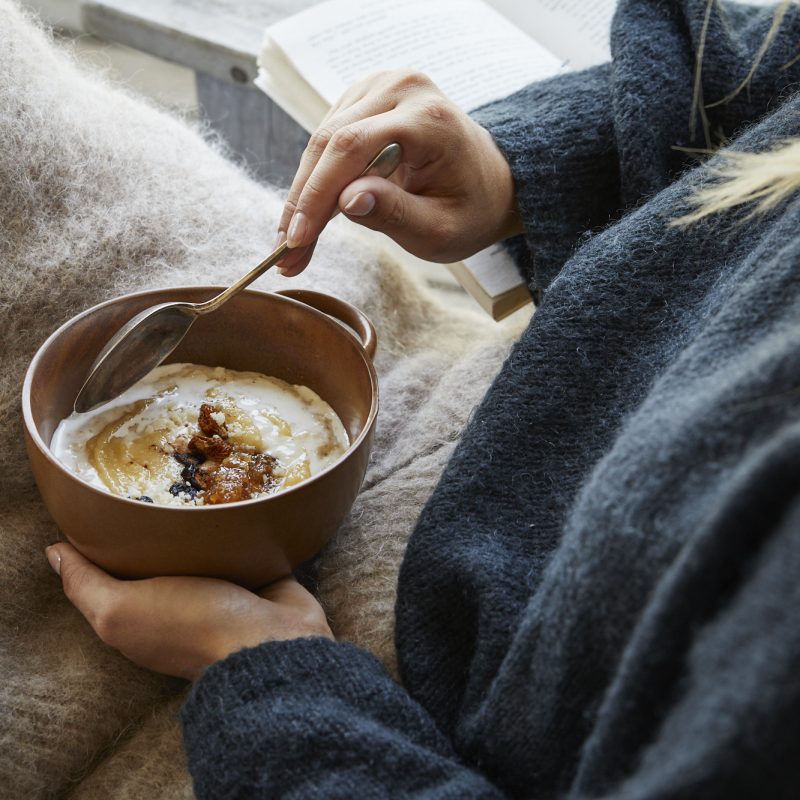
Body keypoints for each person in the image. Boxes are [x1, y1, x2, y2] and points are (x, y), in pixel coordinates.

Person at [45, 0, 800, 796]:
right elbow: (742, 73)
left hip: (367, 713)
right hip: (494, 430)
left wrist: (267, 674)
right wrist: (510, 168)